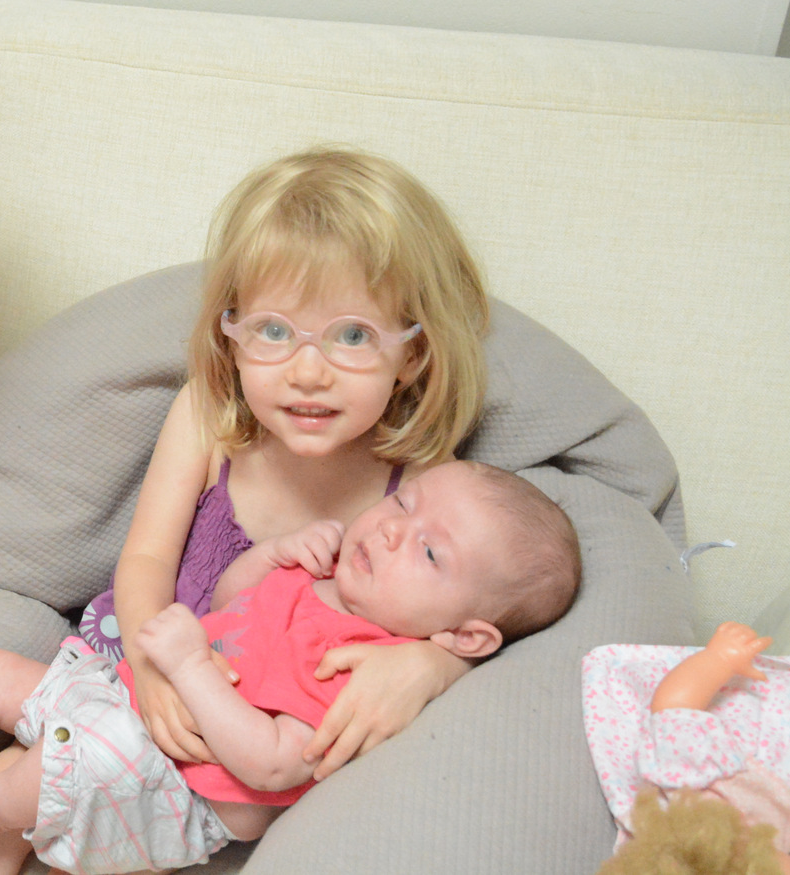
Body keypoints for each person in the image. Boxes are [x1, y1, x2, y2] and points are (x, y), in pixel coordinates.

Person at [0, 460, 581, 875]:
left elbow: (272, 764)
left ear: (466, 634)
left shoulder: (368, 666)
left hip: (169, 786)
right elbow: (234, 602)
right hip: (124, 702)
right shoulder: (329, 577)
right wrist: (275, 557)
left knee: (20, 782)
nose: (390, 532)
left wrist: (188, 665)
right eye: (405, 505)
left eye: (431, 551)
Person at [77, 147, 491, 775]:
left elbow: (482, 605)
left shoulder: (424, 486)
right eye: (274, 331)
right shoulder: (208, 416)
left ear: (412, 353)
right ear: (232, 336)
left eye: (353, 336)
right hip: (145, 665)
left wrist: (433, 665)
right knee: (23, 775)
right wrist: (148, 666)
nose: (308, 373)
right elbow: (147, 559)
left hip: (257, 743)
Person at [584, 622, 790, 874]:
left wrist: (720, 658)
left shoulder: (692, 790)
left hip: (761, 714)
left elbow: (674, 707)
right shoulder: (779, 841)